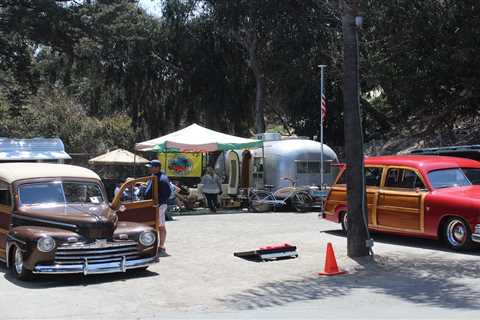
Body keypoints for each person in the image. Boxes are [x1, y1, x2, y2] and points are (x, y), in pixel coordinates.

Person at [144, 160, 171, 256]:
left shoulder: (162, 178)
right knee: (158, 225)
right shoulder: (154, 176)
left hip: (158, 206)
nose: (149, 168)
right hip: (153, 205)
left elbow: (167, 193)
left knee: (159, 226)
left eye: (151, 167)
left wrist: (158, 204)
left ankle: (160, 247)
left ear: (156, 168)